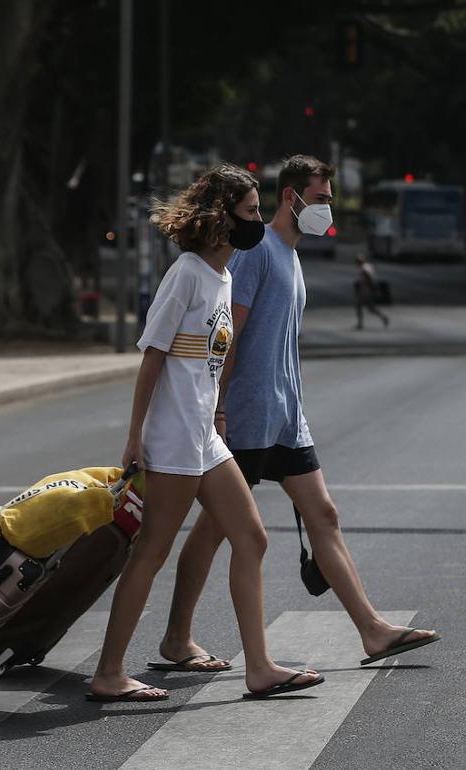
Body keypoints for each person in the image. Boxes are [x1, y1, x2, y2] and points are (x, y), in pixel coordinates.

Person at [157, 155, 439, 676]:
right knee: (215, 529)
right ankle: (177, 638)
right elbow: (229, 335)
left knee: (324, 515)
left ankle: (373, 631)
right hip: (244, 415)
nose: (329, 208)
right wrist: (217, 406)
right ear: (293, 196)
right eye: (324, 197)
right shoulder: (258, 251)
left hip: (286, 416)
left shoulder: (291, 254)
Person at [89, 163, 324, 702]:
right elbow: (153, 356)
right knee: (151, 552)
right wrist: (135, 437)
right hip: (172, 438)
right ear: (222, 217)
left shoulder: (222, 277)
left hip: (205, 436)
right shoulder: (189, 274)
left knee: (252, 536)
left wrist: (218, 414)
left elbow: (212, 364)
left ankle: (259, 667)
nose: (258, 222)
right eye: (250, 212)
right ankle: (108, 672)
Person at [353, 253, 389, 330]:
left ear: (360, 262)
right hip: (367, 291)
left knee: (358, 305)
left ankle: (360, 324)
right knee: (371, 309)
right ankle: (384, 318)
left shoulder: (364, 268)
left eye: (357, 262)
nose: (357, 263)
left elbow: (370, 278)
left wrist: (373, 288)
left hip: (366, 291)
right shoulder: (368, 266)